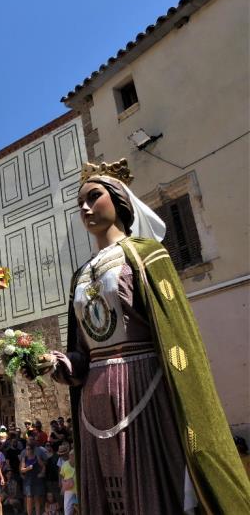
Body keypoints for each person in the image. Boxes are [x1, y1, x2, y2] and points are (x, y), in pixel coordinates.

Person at [44, 159, 250, 513]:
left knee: (147, 488)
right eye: (81, 202)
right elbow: (83, 353)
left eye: (95, 197)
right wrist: (53, 362)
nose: (85, 207)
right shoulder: (80, 274)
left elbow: (175, 333)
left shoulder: (146, 255)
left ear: (119, 199)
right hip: (94, 399)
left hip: (141, 386)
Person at [20, 445, 46, 515]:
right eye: (26, 449)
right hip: (28, 480)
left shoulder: (37, 458)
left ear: (32, 450)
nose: (27, 451)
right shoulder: (24, 458)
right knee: (29, 499)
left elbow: (43, 466)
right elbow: (22, 470)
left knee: (37, 499)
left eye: (29, 449)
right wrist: (27, 468)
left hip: (36, 480)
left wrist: (42, 473)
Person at [59, 450, 77, 515]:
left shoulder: (79, 463)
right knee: (67, 508)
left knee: (78, 507)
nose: (72, 456)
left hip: (78, 489)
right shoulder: (65, 464)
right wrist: (61, 484)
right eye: (71, 455)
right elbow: (61, 475)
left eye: (73, 455)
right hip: (68, 489)